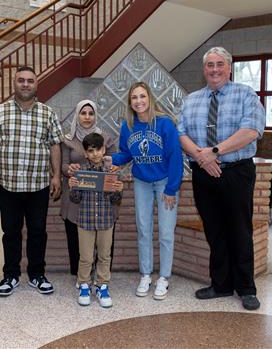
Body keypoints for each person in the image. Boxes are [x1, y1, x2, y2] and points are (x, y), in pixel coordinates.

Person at [177, 46, 265, 311]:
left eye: (219, 64)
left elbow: (251, 130)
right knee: (214, 230)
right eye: (209, 65)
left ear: (229, 67)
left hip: (237, 171)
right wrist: (203, 159)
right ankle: (221, 284)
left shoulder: (246, 95)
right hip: (204, 174)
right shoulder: (192, 99)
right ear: (204, 70)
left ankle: (246, 288)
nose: (214, 69)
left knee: (239, 229)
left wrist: (214, 152)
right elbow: (181, 133)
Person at [0, 66, 63, 297]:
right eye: (21, 80)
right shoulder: (0, 112)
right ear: (14, 83)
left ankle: (37, 275)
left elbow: (55, 145)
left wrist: (56, 175)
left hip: (39, 185)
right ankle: (11, 275)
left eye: (30, 80)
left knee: (38, 231)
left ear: (36, 84)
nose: (25, 84)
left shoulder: (47, 113)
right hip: (8, 185)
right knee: (11, 232)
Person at [108, 81, 183, 300]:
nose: (138, 101)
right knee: (144, 229)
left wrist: (171, 188)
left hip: (165, 182)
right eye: (134, 98)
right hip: (141, 182)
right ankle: (146, 274)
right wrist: (110, 159)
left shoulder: (165, 124)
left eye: (142, 96)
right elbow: (126, 154)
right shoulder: (128, 126)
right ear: (130, 102)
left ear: (149, 98)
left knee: (166, 232)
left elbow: (175, 158)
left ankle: (164, 278)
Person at [61, 99, 117, 277]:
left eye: (91, 113)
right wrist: (69, 170)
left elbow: (114, 161)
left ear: (95, 116)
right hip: (76, 197)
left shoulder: (105, 138)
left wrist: (112, 166)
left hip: (102, 200)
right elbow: (62, 165)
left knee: (104, 241)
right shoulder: (68, 140)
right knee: (77, 241)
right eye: (83, 113)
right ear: (77, 115)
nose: (87, 117)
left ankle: (102, 275)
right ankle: (80, 276)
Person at [68, 133, 123, 308]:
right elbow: (75, 199)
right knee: (85, 257)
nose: (95, 154)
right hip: (85, 221)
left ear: (104, 150)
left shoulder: (111, 172)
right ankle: (84, 285)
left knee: (105, 255)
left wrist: (118, 190)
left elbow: (115, 200)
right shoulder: (81, 172)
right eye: (90, 151)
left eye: (98, 150)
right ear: (85, 153)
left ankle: (102, 285)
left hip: (106, 221)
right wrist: (73, 186)